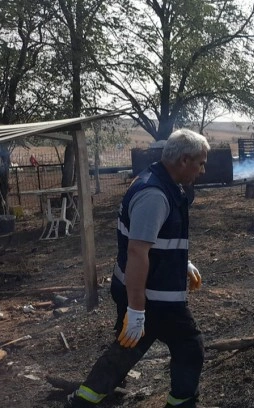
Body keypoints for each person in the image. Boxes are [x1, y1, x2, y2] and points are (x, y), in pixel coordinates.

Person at [67, 129, 210, 407]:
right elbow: (137, 252)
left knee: (129, 346)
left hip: (147, 293)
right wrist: (136, 310)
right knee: (189, 346)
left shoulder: (161, 182)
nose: (203, 170)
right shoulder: (155, 194)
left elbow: (155, 241)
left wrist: (182, 264)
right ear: (183, 160)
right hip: (154, 297)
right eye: (201, 163)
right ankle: (181, 402)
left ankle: (84, 400)